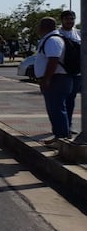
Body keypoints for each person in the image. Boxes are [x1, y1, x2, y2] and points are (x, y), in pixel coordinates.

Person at [35, 17, 72, 146]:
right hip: (56, 78)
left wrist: (46, 79)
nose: (38, 29)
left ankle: (62, 138)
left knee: (57, 109)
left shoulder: (53, 40)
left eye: (39, 26)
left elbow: (53, 61)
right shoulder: (51, 39)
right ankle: (59, 136)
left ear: (44, 27)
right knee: (55, 109)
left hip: (57, 79)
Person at [59, 10, 81, 137]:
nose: (70, 21)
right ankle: (62, 127)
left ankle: (69, 125)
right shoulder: (57, 34)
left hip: (77, 72)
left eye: (72, 19)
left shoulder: (79, 34)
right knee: (61, 100)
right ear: (62, 20)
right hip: (63, 72)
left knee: (71, 99)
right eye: (67, 19)